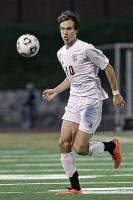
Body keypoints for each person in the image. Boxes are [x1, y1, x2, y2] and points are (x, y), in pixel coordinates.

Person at [42, 10, 125, 195]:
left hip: (91, 102)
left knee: (80, 149)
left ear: (76, 30)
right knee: (64, 143)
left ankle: (111, 146)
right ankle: (75, 188)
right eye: (62, 29)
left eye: (69, 29)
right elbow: (71, 77)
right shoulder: (61, 53)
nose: (65, 32)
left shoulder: (86, 48)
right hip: (74, 100)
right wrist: (56, 90)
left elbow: (108, 67)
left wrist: (116, 93)